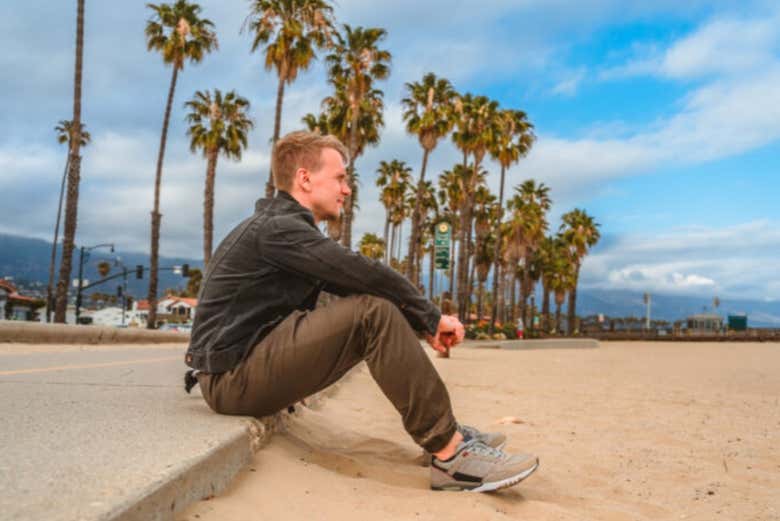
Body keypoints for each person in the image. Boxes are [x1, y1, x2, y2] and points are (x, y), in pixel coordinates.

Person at [184, 131, 539, 492]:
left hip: (236, 373)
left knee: (371, 306)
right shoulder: (279, 230)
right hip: (231, 381)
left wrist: (424, 326)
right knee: (373, 313)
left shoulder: (281, 229)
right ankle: (451, 455)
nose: (347, 189)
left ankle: (450, 434)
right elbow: (366, 273)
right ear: (304, 178)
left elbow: (356, 283)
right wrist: (432, 318)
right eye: (340, 178)